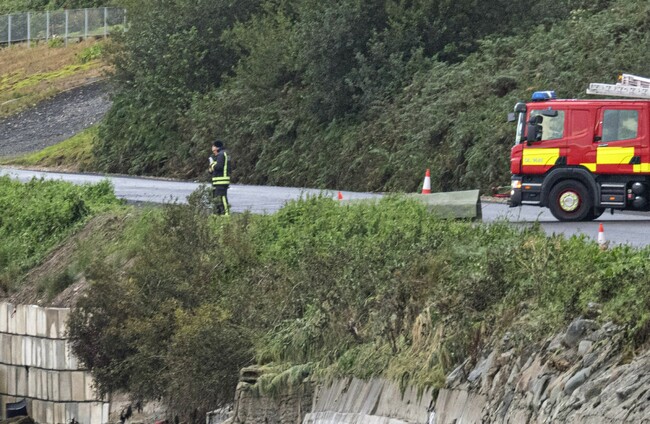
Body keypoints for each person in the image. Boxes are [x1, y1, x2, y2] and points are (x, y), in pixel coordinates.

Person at [209, 140, 231, 215]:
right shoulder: (220, 155)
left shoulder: (221, 154)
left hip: (221, 180)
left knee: (222, 197)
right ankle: (217, 214)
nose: (212, 148)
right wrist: (211, 168)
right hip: (217, 181)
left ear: (217, 147)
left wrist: (212, 165)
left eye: (213, 146)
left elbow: (219, 166)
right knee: (216, 199)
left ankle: (226, 214)